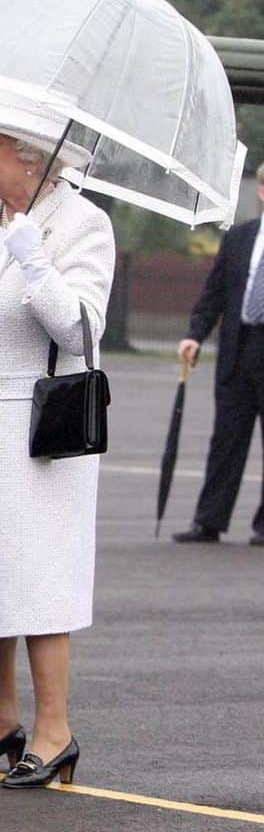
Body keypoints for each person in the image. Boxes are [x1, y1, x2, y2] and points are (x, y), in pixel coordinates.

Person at [0, 100, 115, 789]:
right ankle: (0, 721)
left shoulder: (84, 224)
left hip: (39, 432)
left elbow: (80, 334)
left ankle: (55, 730)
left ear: (35, 155)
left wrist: (37, 262)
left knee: (37, 577)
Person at [171, 160, 264, 546]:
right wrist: (195, 334)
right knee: (226, 438)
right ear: (261, 191)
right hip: (238, 349)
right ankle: (208, 520)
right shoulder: (240, 238)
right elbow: (215, 293)